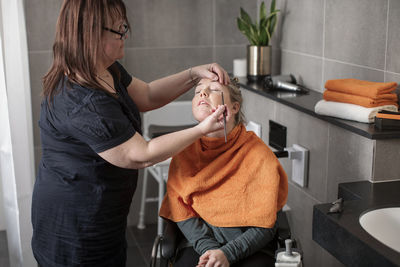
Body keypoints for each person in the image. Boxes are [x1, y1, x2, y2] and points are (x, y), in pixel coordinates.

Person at [31, 1, 231, 266]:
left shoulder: (104, 68)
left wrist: (194, 74)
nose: (126, 34)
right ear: (92, 35)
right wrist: (201, 129)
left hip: (104, 215)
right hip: (75, 228)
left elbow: (147, 94)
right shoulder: (82, 100)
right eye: (119, 29)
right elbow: (141, 155)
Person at [159, 77, 288, 267]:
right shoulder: (184, 152)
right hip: (200, 244)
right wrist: (209, 251)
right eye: (198, 91)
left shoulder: (259, 155)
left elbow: (266, 225)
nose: (202, 93)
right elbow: (182, 212)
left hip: (250, 245)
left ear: (234, 107)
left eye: (213, 89)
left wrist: (228, 254)